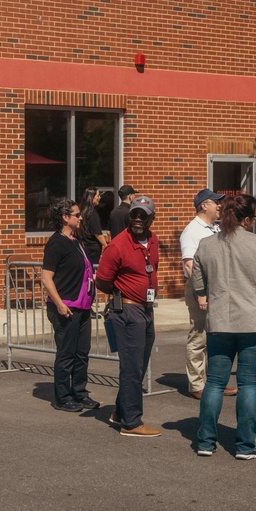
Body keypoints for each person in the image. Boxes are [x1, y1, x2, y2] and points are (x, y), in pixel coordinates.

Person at [192, 194, 256, 459]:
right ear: (246, 219)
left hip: (219, 320)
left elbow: (198, 285)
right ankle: (245, 446)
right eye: (254, 217)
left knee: (215, 383)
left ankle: (205, 442)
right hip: (254, 321)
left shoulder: (206, 244)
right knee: (248, 384)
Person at [96, 195, 161, 437]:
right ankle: (131, 423)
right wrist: (120, 296)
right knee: (132, 367)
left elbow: (152, 269)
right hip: (127, 311)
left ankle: (121, 412)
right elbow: (102, 280)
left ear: (151, 218)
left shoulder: (152, 240)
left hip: (146, 309)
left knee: (140, 364)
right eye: (134, 214)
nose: (137, 219)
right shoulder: (117, 245)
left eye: (143, 215)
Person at [41, 199, 99, 413]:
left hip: (82, 306)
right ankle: (62, 397)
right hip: (66, 307)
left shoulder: (76, 241)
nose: (80, 217)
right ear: (65, 217)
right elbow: (47, 278)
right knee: (66, 353)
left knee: (82, 352)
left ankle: (80, 393)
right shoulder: (57, 242)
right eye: (76, 214)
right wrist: (59, 303)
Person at [180, 188, 237, 399]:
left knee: (218, 338)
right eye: (216, 202)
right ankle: (197, 385)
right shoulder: (192, 231)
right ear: (204, 205)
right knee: (199, 337)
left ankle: (216, 382)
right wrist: (201, 294)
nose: (220, 206)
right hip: (202, 290)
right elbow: (189, 266)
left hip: (218, 288)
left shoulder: (214, 228)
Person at [77, 187, 109, 264]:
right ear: (91, 197)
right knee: (91, 271)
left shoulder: (81, 210)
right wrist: (106, 246)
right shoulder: (92, 213)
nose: (100, 198)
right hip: (92, 250)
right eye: (98, 196)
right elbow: (98, 233)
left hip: (82, 246)